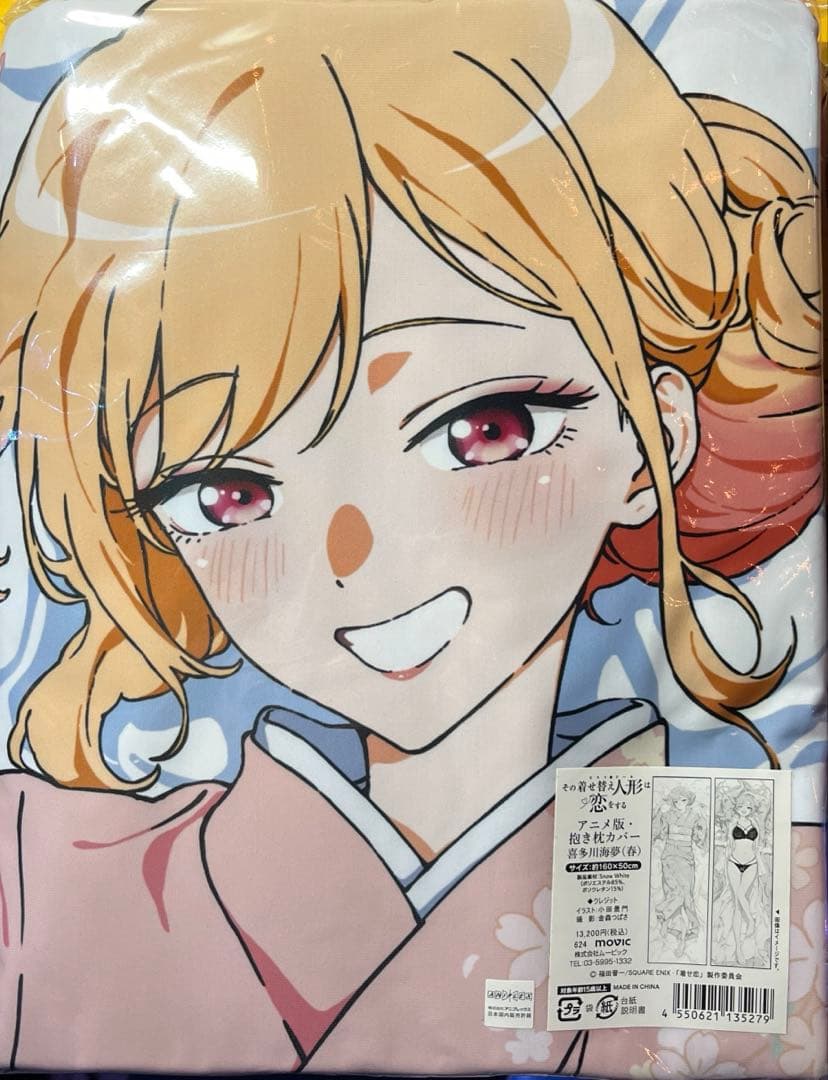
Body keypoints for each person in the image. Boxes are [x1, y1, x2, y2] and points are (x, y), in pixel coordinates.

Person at [0, 0, 821, 1072]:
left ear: (654, 433)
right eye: (228, 493)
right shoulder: (35, 881)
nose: (357, 557)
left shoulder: (774, 901)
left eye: (485, 428)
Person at [652, 786, 707, 958]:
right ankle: (670, 926)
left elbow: (700, 839)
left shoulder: (695, 816)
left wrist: (703, 818)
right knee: (673, 893)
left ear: (688, 801)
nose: (680, 803)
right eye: (676, 801)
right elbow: (656, 832)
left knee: (685, 896)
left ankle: (664, 916)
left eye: (683, 800)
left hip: (686, 858)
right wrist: (657, 811)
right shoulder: (667, 815)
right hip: (669, 857)